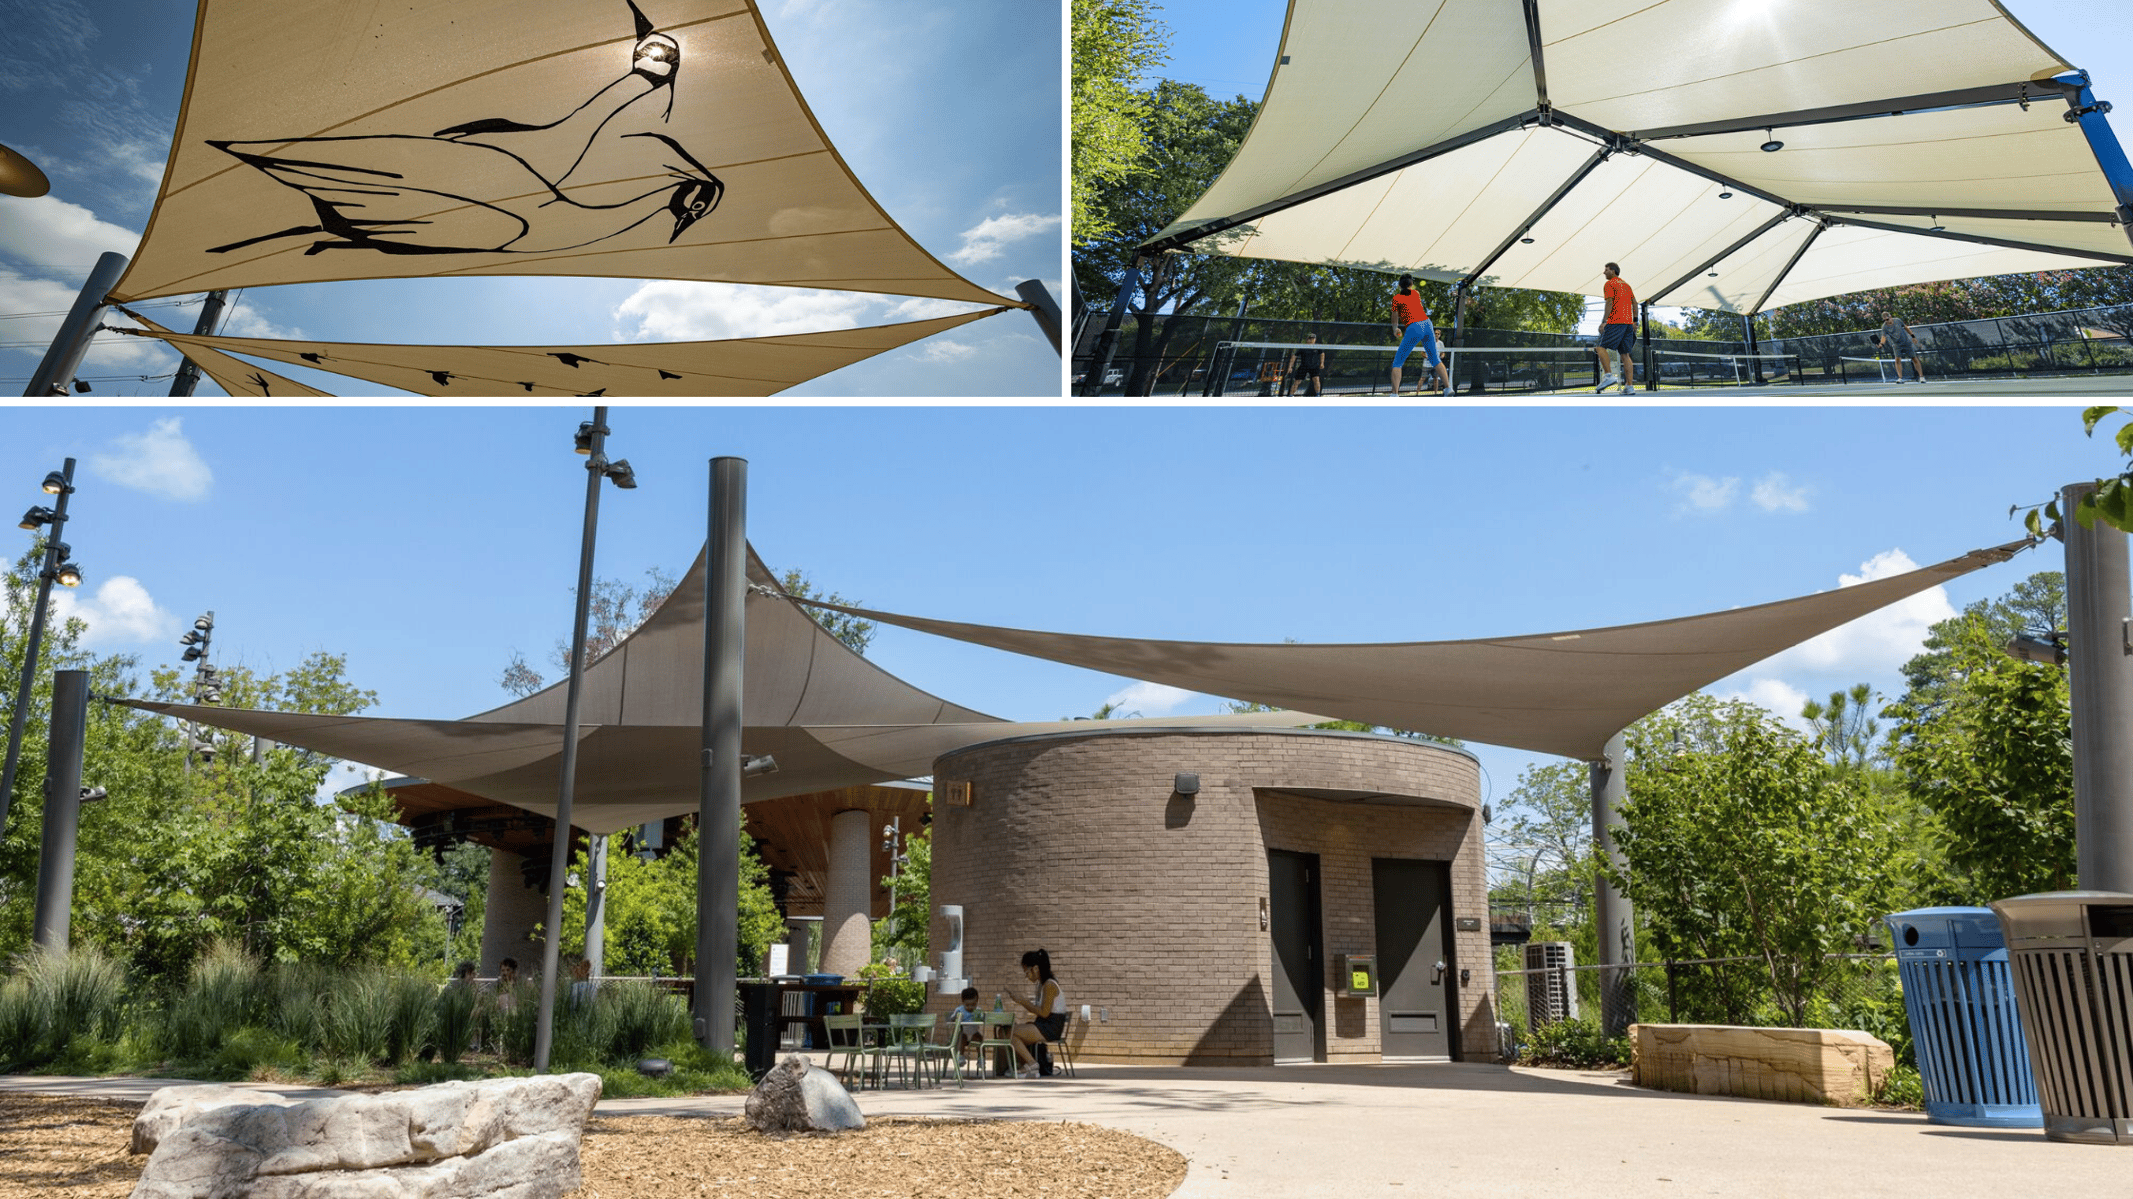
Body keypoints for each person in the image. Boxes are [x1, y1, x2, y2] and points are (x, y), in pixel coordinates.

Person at [998, 948, 1067, 1078]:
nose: (1026, 976)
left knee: (1009, 1032)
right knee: (1003, 1031)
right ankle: (1027, 1065)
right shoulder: (1041, 985)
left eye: (1026, 972)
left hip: (1050, 1027)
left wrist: (1023, 1001)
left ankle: (1031, 1064)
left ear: (1035, 968)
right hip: (1044, 1024)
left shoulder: (1049, 985)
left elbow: (1044, 1013)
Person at [1387, 275, 1449, 398]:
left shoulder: (1396, 299)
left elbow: (1395, 316)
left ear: (1399, 285)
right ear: (1411, 284)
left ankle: (1394, 395)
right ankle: (1448, 388)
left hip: (1414, 327)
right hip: (1427, 324)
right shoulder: (1416, 293)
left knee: (1398, 362)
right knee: (1435, 359)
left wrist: (1395, 328)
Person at [1595, 262, 1636, 395]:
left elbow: (1609, 302)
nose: (1604, 272)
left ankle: (1608, 376)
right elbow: (1635, 304)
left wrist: (1604, 321)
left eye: (1606, 269)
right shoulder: (1627, 285)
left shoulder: (1610, 284)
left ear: (1613, 271)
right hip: (1628, 324)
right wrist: (1635, 321)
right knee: (1625, 355)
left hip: (1616, 321)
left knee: (1600, 348)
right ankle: (1629, 387)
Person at [1875, 312, 1927, 383]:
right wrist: (1881, 344)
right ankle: (1900, 378)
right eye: (1884, 320)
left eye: (1887, 319)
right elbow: (1883, 337)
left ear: (1890, 316)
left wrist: (1913, 336)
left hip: (1906, 343)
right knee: (1897, 360)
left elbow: (1906, 328)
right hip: (1897, 345)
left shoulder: (1898, 320)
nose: (1886, 321)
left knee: (1914, 358)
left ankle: (1921, 377)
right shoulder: (1884, 327)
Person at [948, 986, 984, 1069]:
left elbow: (982, 1018)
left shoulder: (978, 1010)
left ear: (977, 1001)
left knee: (980, 1039)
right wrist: (955, 1018)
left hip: (974, 1032)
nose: (970, 1007)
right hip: (963, 1032)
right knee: (961, 1038)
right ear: (963, 1002)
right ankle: (960, 1056)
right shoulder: (959, 1010)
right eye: (967, 1005)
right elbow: (952, 1018)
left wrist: (982, 1018)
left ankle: (981, 1058)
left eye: (973, 1004)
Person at [1285, 333, 1327, 398]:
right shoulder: (1302, 347)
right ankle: (1290, 395)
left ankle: (1318, 395)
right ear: (1307, 339)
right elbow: (1294, 356)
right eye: (1310, 339)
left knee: (1316, 380)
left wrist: (1322, 363)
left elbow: (1322, 354)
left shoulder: (1317, 347)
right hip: (1303, 366)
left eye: (1313, 339)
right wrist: (1290, 367)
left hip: (1314, 366)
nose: (1311, 340)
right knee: (1297, 381)